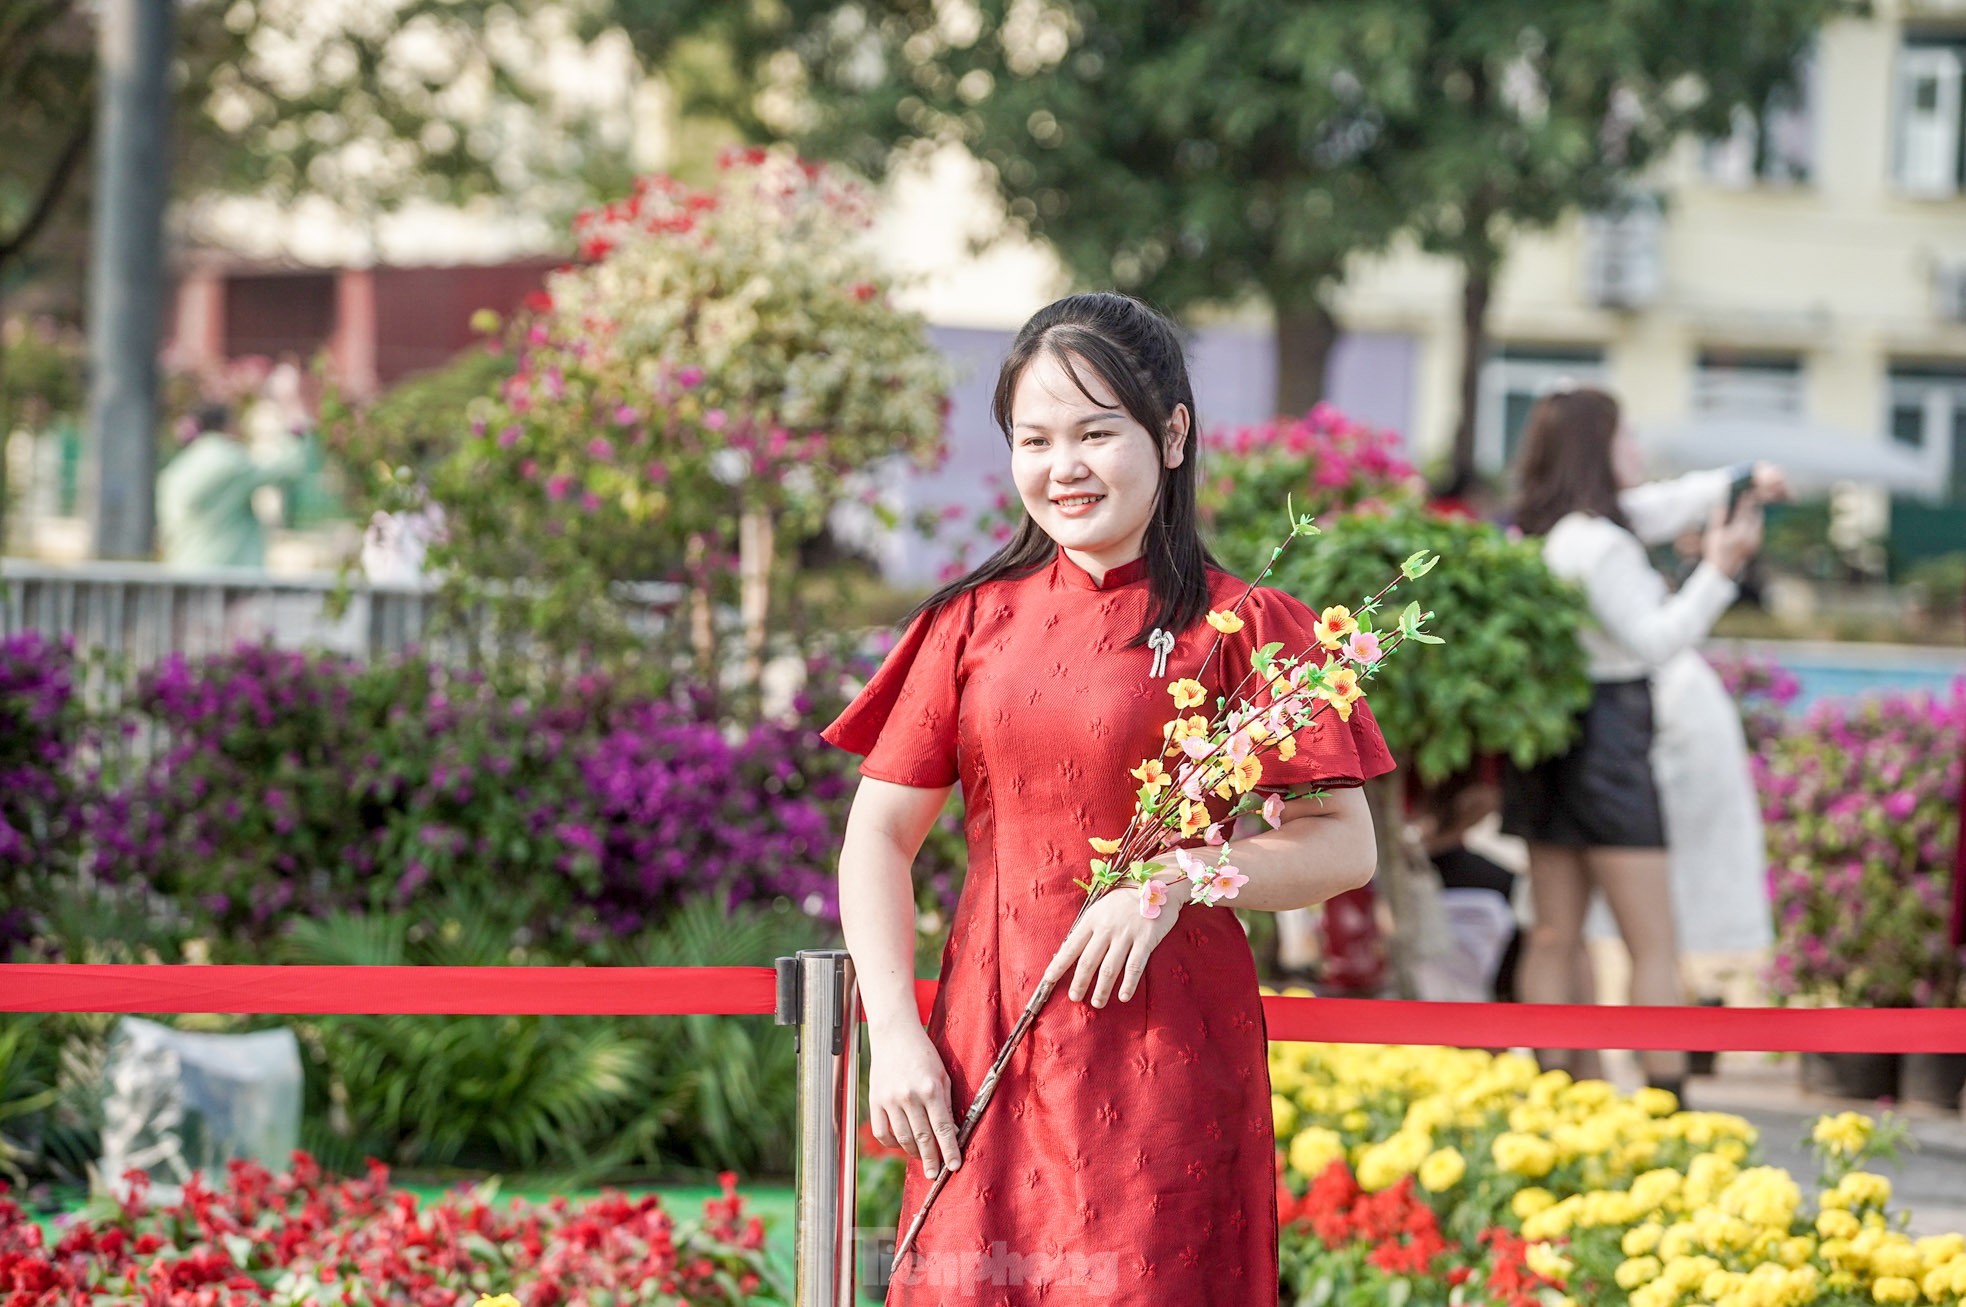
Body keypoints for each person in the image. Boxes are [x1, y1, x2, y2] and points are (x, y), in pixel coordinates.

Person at [823, 292, 1394, 1305]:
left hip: (1164, 1054)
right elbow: (877, 836)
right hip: (981, 1048)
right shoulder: (968, 624)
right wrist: (895, 1034)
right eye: (1034, 438)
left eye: (1096, 432)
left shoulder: (1244, 624)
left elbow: (1340, 846)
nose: (1063, 466)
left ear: (1170, 433)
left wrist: (1182, 874)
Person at [1499, 384, 1782, 1098]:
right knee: (1651, 939)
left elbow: (1663, 504)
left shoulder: (1539, 532)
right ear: (1599, 447)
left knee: (1554, 932)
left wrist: (1737, 480)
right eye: (1626, 437)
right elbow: (1658, 640)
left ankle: (1552, 1095)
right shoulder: (1602, 545)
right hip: (1611, 740)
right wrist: (1719, 569)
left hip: (1547, 741)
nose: (1638, 451)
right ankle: (1666, 1100)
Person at [156, 401, 308, 569]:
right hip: (224, 573)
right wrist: (296, 435)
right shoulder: (229, 461)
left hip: (183, 569)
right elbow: (287, 470)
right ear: (228, 425)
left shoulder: (179, 467)